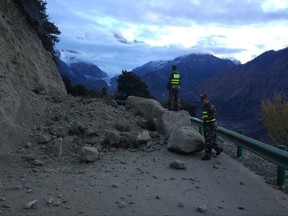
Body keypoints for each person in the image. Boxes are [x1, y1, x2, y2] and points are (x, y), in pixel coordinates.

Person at [200, 93, 223, 160]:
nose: (201, 100)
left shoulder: (211, 106)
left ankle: (208, 155)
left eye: (202, 99)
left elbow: (213, 116)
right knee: (208, 141)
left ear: (205, 99)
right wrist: (204, 118)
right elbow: (206, 115)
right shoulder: (205, 106)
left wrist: (204, 118)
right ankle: (218, 149)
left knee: (208, 141)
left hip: (211, 126)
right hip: (206, 125)